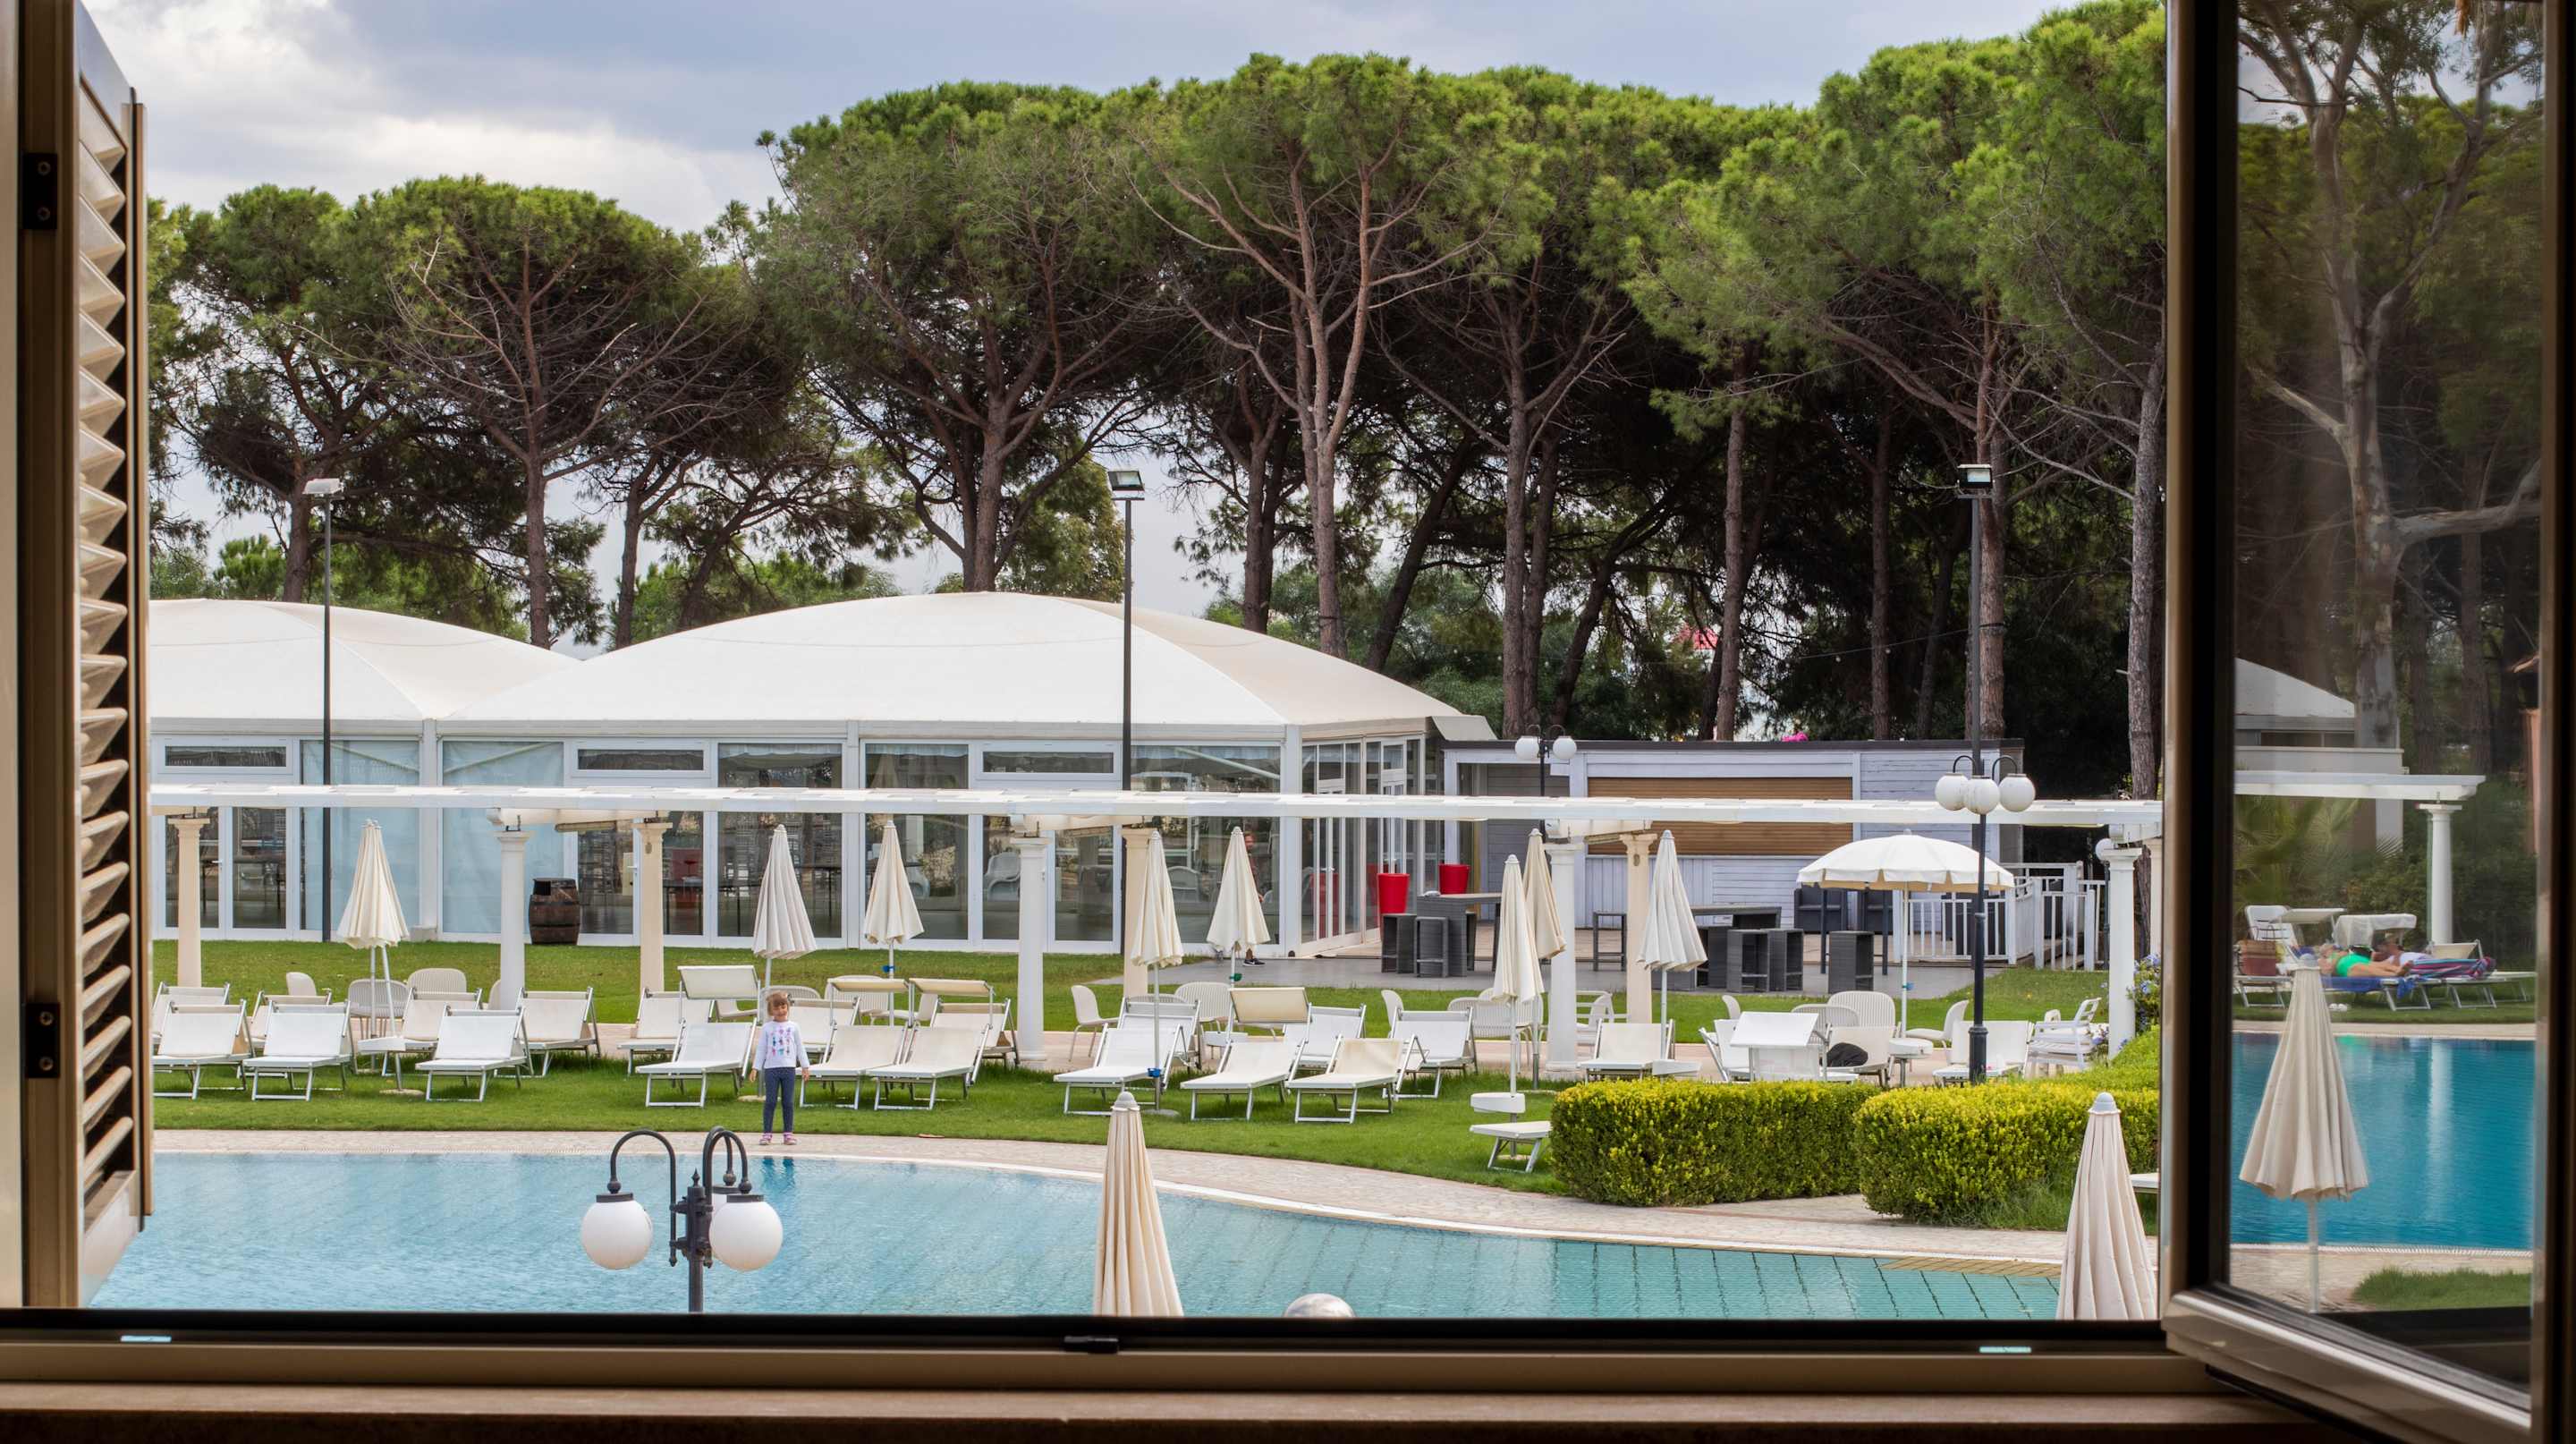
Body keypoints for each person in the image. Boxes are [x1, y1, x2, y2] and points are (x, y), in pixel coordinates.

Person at [754, 990, 809, 1146]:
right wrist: (756, 1068)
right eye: (777, 1008)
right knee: (770, 1102)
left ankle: (788, 1134)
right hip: (771, 1070)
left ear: (787, 1007)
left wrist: (805, 1066)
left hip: (789, 1069)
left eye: (783, 1007)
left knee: (788, 1102)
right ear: (771, 1011)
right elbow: (761, 1049)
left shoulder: (794, 1027)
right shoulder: (767, 1028)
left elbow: (800, 1047)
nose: (780, 1010)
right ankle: (767, 1134)